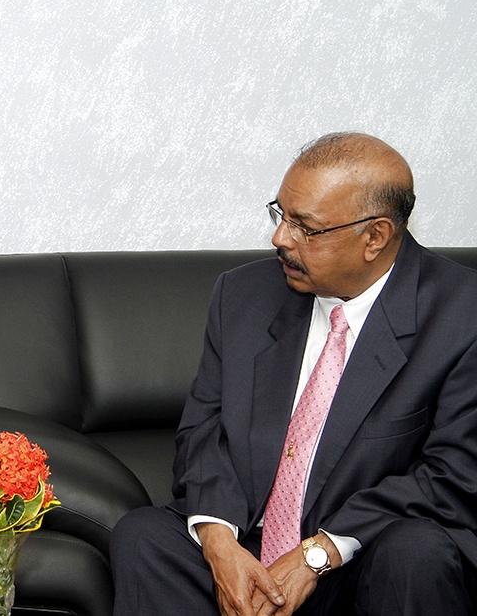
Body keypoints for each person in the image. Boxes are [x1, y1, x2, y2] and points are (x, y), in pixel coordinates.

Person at [111, 132, 477, 615]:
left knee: (416, 552)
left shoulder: (461, 316)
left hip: (364, 554)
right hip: (251, 545)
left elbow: (452, 478)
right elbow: (205, 433)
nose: (280, 238)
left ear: (375, 237)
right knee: (144, 537)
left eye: (306, 227)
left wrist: (317, 553)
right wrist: (221, 545)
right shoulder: (243, 295)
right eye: (281, 214)